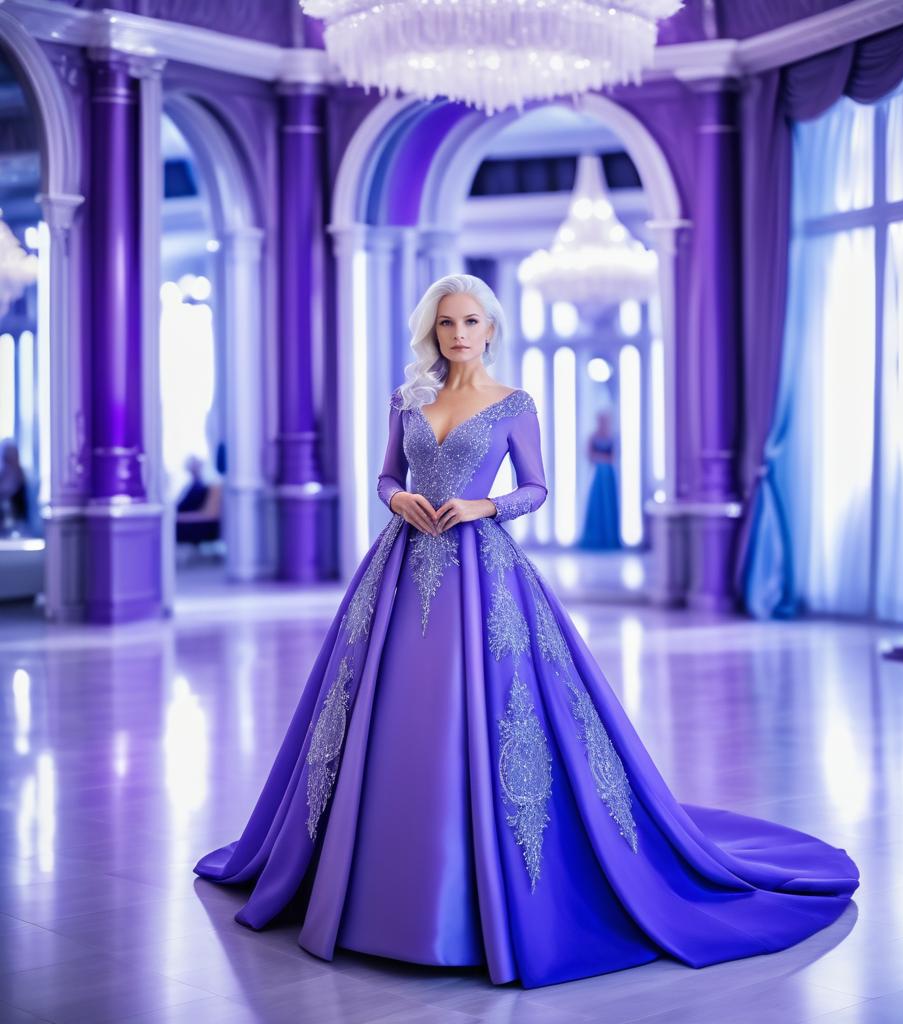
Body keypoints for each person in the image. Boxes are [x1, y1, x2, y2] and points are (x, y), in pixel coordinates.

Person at [194, 274, 859, 989]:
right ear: (434, 331)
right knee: (385, 719)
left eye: (469, 321)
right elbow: (385, 476)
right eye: (445, 323)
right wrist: (404, 498)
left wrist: (486, 507)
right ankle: (364, 882)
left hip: (484, 572)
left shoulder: (514, 404)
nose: (456, 334)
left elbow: (539, 487)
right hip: (401, 565)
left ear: (490, 328)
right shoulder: (408, 397)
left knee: (486, 715)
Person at [579, 409, 622, 549]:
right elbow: (590, 456)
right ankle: (595, 538)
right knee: (598, 504)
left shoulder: (612, 436)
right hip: (598, 475)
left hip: (608, 475)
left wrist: (602, 458)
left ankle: (610, 538)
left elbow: (614, 457)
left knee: (608, 505)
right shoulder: (593, 436)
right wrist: (603, 459)